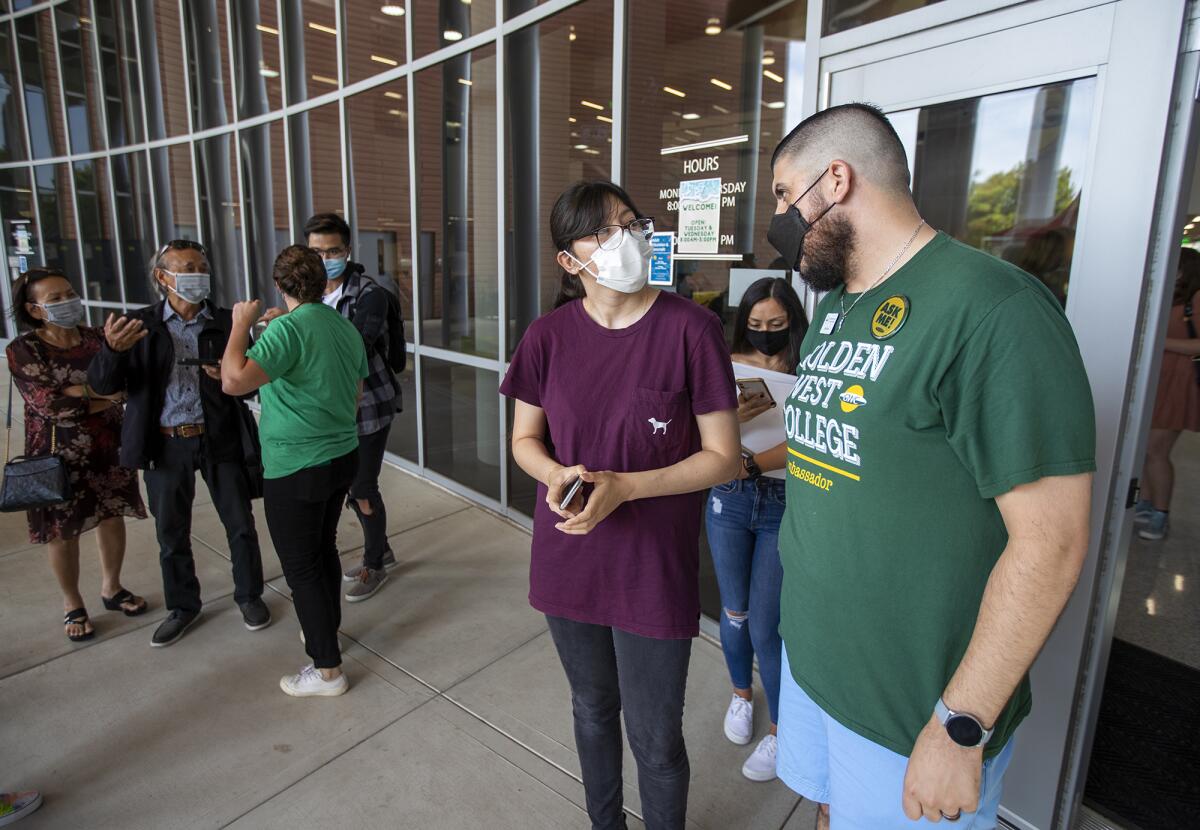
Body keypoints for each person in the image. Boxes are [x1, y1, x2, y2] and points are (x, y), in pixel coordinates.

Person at [767, 104, 1095, 829]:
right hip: (819, 667)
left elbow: (1052, 543)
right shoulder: (836, 309)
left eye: (786, 197)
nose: (780, 221)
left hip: (914, 705)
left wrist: (960, 725)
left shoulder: (994, 309)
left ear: (837, 179)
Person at [502, 180, 741, 829]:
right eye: (603, 232)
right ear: (569, 261)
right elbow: (525, 439)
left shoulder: (691, 329)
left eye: (632, 224)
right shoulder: (547, 337)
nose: (626, 241)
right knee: (590, 709)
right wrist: (556, 473)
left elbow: (723, 457)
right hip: (568, 557)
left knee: (657, 739)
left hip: (652, 567)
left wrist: (628, 486)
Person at [88, 241, 269, 647]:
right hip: (165, 445)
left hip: (218, 437)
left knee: (240, 525)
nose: (198, 274)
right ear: (162, 276)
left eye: (202, 267)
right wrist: (112, 351)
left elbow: (251, 384)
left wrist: (227, 376)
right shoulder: (138, 327)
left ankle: (250, 596)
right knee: (171, 534)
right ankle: (184, 607)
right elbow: (102, 385)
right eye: (187, 267)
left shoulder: (226, 322)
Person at [220, 245, 368, 698]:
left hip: (296, 464)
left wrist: (241, 326)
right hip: (341, 455)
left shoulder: (286, 329)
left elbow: (233, 380)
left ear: (279, 285)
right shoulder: (343, 326)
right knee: (323, 550)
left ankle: (327, 671)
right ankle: (322, 631)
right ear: (324, 282)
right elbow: (356, 392)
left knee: (302, 568)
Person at [6, 269, 147, 642]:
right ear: (34, 310)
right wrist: (102, 394)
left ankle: (111, 588)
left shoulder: (100, 337)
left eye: (68, 293)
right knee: (62, 531)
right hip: (56, 452)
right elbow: (49, 404)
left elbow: (125, 384)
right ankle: (72, 602)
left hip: (109, 445)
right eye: (54, 300)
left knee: (111, 515)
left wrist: (80, 390)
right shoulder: (24, 349)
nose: (68, 302)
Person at [705, 277, 807, 783]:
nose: (765, 335)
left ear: (793, 325)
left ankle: (780, 730)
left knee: (768, 622)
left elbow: (810, 442)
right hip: (729, 496)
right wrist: (731, 420)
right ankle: (741, 695)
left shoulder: (808, 367)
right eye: (756, 325)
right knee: (736, 610)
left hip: (783, 499)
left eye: (777, 326)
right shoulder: (725, 365)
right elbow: (700, 436)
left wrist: (749, 462)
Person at [304, 213, 401, 601]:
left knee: (362, 487)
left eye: (332, 250)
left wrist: (302, 337)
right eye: (316, 251)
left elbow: (357, 347)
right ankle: (383, 549)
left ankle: (375, 564)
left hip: (368, 406)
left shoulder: (367, 293)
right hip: (330, 411)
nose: (325, 257)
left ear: (347, 251)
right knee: (348, 486)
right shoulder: (310, 295)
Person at [1134, 246, 1200, 540]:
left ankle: (1160, 514)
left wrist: (1160, 341)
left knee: (1156, 451)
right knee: (1147, 451)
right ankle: (1147, 505)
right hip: (1162, 381)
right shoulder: (1170, 297)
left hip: (1179, 382)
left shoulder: (1196, 299)